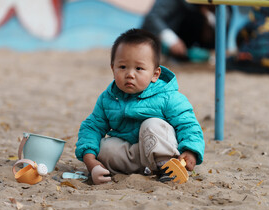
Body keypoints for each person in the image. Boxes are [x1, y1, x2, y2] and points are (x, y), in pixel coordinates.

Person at [75, 29, 204, 185]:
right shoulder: (108, 98)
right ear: (112, 68)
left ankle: (165, 166)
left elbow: (188, 124)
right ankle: (128, 170)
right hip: (132, 155)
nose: (130, 74)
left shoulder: (168, 97)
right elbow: (92, 127)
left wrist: (191, 151)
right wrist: (90, 161)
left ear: (155, 74)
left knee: (152, 125)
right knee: (105, 147)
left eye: (139, 69)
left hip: (159, 149)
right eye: (122, 67)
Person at [142, 0, 233, 62]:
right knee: (196, 19)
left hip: (195, 49)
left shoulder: (224, 4)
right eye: (213, 3)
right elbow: (153, 18)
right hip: (164, 44)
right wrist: (172, 40)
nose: (214, 6)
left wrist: (210, 21)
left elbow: (224, 17)